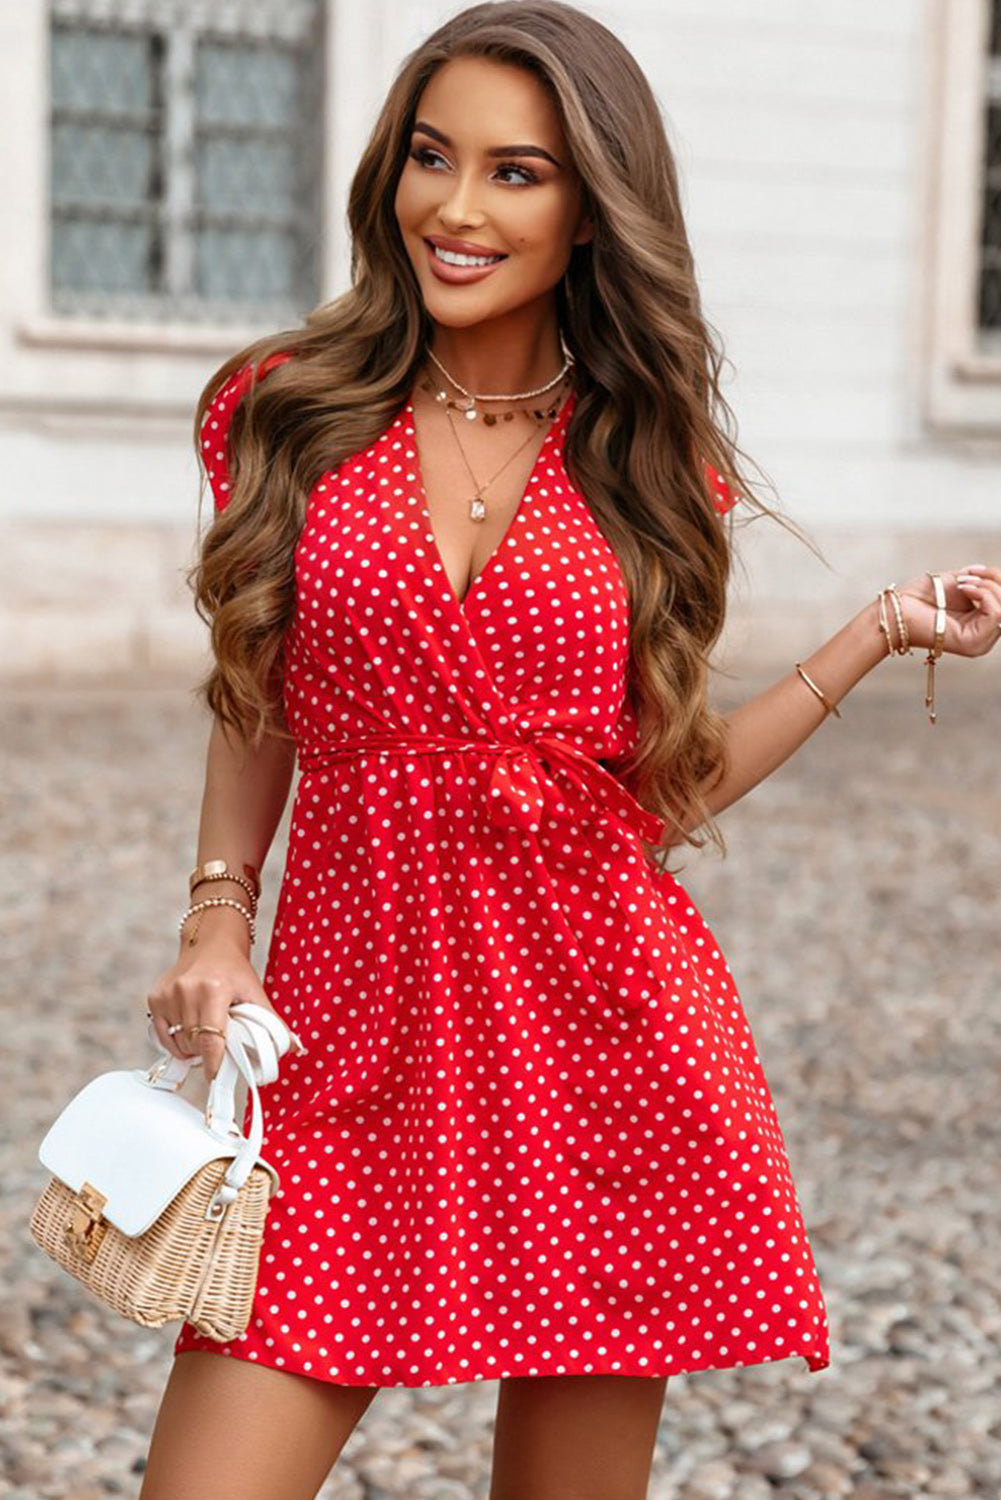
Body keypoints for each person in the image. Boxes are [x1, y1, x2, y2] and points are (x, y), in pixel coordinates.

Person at [138, 3, 1001, 1497]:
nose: (455, 210)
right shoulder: (288, 410)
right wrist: (220, 911)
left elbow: (655, 797)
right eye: (430, 156)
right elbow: (256, 686)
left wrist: (872, 631)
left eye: (515, 172)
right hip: (345, 1042)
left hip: (602, 1051)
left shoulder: (651, 463)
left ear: (593, 211)